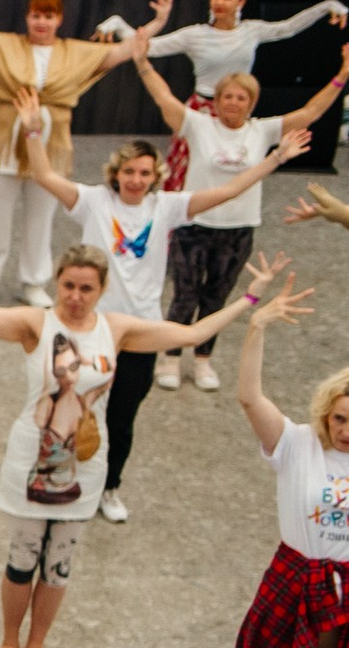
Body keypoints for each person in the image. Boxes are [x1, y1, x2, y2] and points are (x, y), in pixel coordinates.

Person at [0, 238, 267, 648]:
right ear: (57, 283)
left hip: (87, 462)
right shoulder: (36, 322)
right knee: (22, 556)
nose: (75, 296)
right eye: (69, 285)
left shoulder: (117, 329)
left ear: (102, 289)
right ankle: (8, 645)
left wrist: (250, 299)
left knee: (60, 562)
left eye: (86, 288)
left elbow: (188, 335)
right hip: (31, 457)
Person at [12, 87, 308, 522]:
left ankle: (109, 487)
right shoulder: (94, 201)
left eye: (144, 173)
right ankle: (59, 476)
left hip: (140, 330)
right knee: (71, 409)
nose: (135, 179)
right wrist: (34, 131)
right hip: (90, 330)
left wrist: (275, 158)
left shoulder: (167, 207)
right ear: (116, 173)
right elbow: (43, 176)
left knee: (123, 416)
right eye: (129, 171)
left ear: (156, 176)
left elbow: (227, 191)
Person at [0, 0, 170, 307]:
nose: (42, 22)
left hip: (52, 143)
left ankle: (33, 281)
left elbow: (125, 50)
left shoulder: (76, 52)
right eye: (36, 15)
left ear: (59, 20)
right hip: (6, 140)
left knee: (41, 217)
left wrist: (158, 22)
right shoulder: (4, 45)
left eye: (49, 16)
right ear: (27, 18)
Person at [131, 42, 348, 391]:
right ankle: (170, 356)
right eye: (227, 97)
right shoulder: (199, 125)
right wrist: (141, 62)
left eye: (240, 98)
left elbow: (310, 113)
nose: (233, 103)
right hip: (194, 226)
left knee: (216, 297)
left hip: (238, 229)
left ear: (252, 102)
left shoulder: (262, 131)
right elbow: (164, 98)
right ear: (216, 100)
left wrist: (343, 76)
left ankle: (203, 359)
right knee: (185, 295)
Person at [225, 273, 341, 648]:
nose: (348, 428)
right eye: (341, 417)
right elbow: (249, 397)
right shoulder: (297, 444)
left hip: (346, 601)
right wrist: (257, 326)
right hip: (293, 584)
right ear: (327, 414)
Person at [95, 0, 346, 188]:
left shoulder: (251, 31)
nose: (219, 2)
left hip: (236, 112)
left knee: (231, 173)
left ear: (241, 1)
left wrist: (327, 6)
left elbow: (288, 28)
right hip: (200, 112)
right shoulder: (195, 35)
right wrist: (117, 24)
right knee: (188, 174)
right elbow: (148, 48)